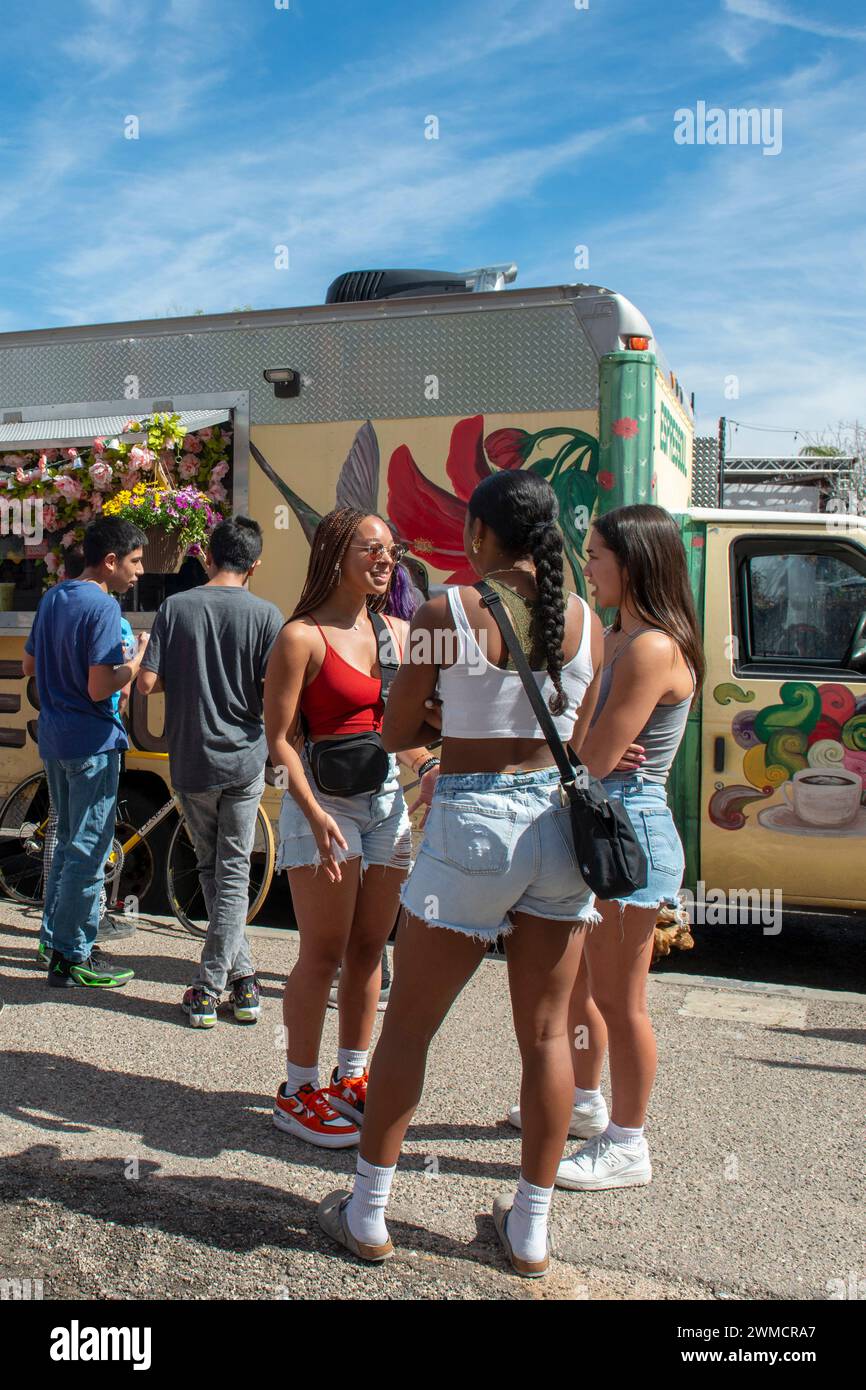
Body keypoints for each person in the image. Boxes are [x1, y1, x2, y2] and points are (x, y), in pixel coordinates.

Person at [316, 469, 603, 1276]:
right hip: (556, 827)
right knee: (547, 1035)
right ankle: (530, 1233)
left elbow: (398, 723)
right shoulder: (586, 622)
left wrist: (443, 707)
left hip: (473, 821)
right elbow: (568, 729)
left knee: (410, 1023)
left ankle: (369, 1213)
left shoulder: (447, 610)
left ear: (481, 533)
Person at [264, 508, 440, 1149]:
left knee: (372, 948)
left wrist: (430, 764)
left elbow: (408, 731)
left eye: (391, 549)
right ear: (337, 553)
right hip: (323, 803)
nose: (386, 559)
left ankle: (353, 1077)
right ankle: (298, 1089)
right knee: (323, 950)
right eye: (372, 548)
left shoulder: (397, 631)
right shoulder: (300, 637)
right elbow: (279, 740)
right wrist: (311, 814)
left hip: (386, 801)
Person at [549, 504, 704, 1192]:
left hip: (628, 834)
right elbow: (585, 739)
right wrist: (584, 749)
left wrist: (584, 750)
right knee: (585, 987)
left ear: (634, 563)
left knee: (620, 999)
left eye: (596, 556)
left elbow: (597, 752)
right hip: (605, 821)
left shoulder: (650, 648)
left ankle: (628, 1144)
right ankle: (586, 1105)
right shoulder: (622, 636)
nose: (587, 568)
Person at [137, 516, 283, 1029]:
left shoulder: (176, 608)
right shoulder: (268, 616)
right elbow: (274, 694)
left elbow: (146, 684)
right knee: (233, 868)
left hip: (191, 758)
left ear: (209, 556)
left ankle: (220, 984)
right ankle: (229, 984)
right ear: (255, 564)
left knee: (210, 866)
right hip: (245, 758)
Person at [23, 518, 149, 988]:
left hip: (55, 740)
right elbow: (101, 686)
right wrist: (134, 661)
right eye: (135, 562)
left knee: (66, 843)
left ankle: (52, 940)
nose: (138, 572)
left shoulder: (54, 596)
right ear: (111, 561)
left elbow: (30, 665)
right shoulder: (101, 605)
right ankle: (73, 954)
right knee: (89, 850)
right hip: (93, 742)